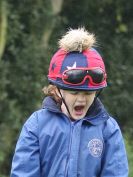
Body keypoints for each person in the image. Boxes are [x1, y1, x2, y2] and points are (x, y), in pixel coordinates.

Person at [10, 28, 128, 177]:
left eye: (88, 93)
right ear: (57, 90)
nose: (81, 99)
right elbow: (23, 173)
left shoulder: (108, 129)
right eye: (74, 92)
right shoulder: (37, 125)